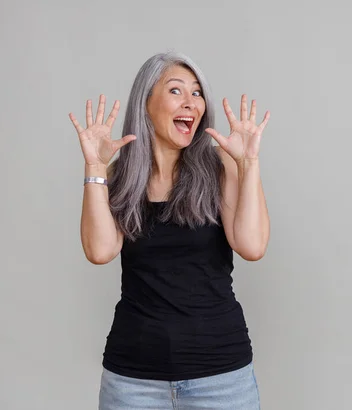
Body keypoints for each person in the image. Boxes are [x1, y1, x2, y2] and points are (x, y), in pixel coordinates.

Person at [69, 51, 270, 410]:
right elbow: (99, 252)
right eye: (176, 91)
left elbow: (252, 245)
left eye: (197, 93)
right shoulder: (117, 176)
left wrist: (248, 163)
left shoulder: (220, 167)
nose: (191, 102)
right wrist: (95, 166)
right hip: (132, 382)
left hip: (220, 379)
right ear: (146, 104)